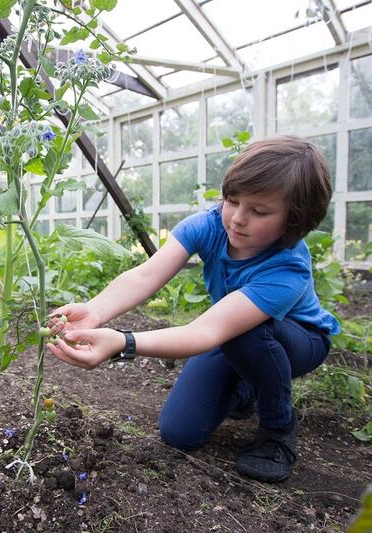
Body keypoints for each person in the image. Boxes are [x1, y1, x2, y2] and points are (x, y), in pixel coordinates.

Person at [46, 135, 340, 483]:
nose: (237, 219)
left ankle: (278, 427)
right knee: (180, 432)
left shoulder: (287, 269)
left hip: (298, 342)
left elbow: (206, 332)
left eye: (259, 211)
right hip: (236, 335)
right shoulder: (211, 224)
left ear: (295, 220)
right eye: (232, 200)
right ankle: (247, 385)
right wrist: (94, 312)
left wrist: (122, 343)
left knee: (249, 335)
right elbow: (146, 275)